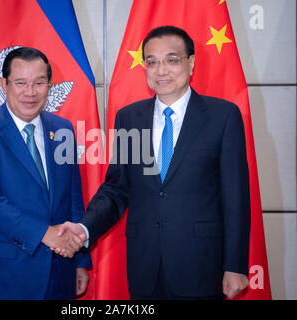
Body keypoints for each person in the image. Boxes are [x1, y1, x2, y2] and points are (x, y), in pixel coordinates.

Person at [57, 26, 251, 300]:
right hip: (144, 266)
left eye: (172, 60)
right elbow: (116, 189)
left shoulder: (223, 116)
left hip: (202, 265)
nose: (161, 70)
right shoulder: (129, 118)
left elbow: (236, 198)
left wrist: (235, 265)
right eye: (152, 62)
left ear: (191, 63)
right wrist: (84, 228)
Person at [0, 47, 91, 299]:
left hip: (59, 272)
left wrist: (81, 260)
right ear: (3, 84)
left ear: (50, 85)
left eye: (39, 83)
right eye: (20, 83)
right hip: (3, 276)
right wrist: (45, 234)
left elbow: (73, 197)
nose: (30, 92)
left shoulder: (62, 129)